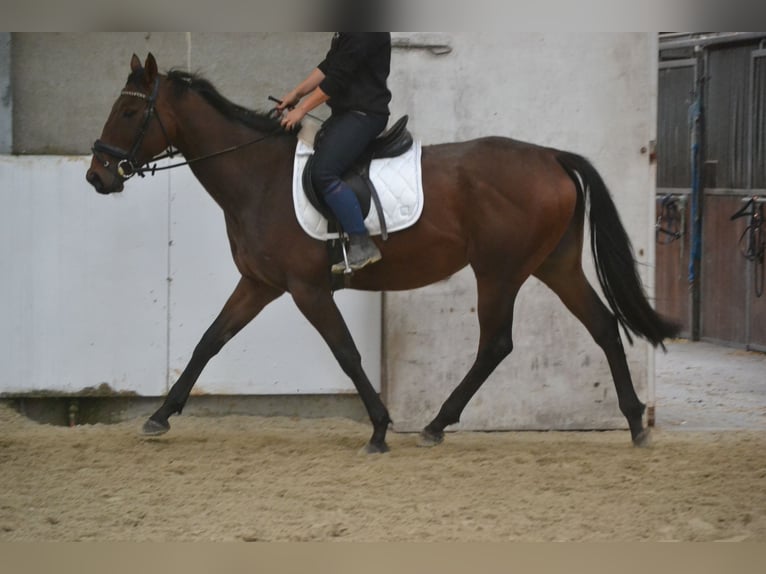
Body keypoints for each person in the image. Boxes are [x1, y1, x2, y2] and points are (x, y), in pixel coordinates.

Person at [277, 32, 392, 273]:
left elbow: (337, 79)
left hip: (364, 114)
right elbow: (329, 66)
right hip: (346, 114)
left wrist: (302, 109)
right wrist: (296, 94)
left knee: (324, 172)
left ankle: (362, 244)